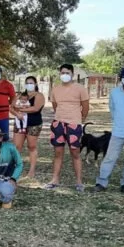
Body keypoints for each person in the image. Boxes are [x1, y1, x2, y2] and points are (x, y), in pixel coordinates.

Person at [46, 64, 90, 192]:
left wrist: (80, 119)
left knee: (75, 153)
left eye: (67, 73)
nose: (65, 75)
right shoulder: (55, 89)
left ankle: (79, 182)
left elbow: (85, 106)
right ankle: (55, 180)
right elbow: (55, 105)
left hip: (74, 124)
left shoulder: (80, 88)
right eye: (62, 73)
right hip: (58, 124)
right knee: (58, 152)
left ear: (72, 73)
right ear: (60, 74)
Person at [12, 76, 45, 178]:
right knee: (17, 147)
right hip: (19, 123)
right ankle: (14, 168)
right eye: (27, 83)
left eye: (31, 83)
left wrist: (21, 110)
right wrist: (17, 114)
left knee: (32, 146)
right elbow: (11, 107)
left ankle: (31, 171)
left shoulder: (39, 96)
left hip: (33, 124)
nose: (29, 85)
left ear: (35, 84)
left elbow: (35, 108)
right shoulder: (20, 95)